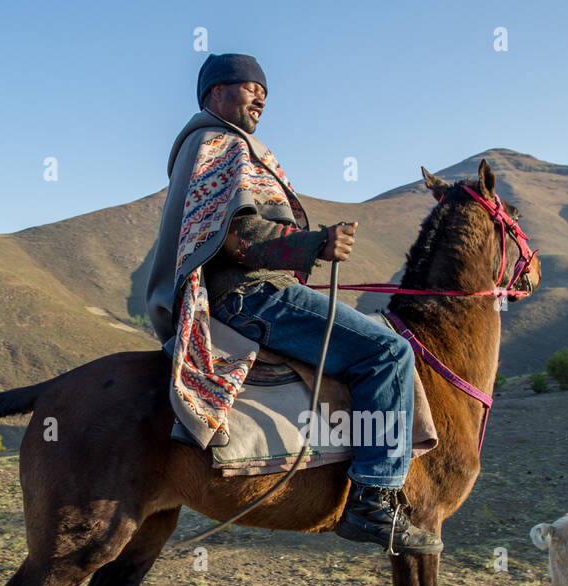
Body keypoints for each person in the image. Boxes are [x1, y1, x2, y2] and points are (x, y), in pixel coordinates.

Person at [145, 53, 442, 555]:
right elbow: (237, 237)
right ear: (214, 92)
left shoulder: (217, 145)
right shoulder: (217, 142)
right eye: (247, 87)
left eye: (264, 91)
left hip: (251, 291)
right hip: (251, 296)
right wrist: (314, 244)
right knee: (388, 352)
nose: (260, 97)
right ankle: (373, 497)